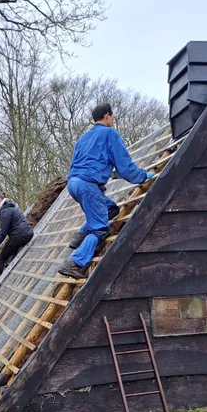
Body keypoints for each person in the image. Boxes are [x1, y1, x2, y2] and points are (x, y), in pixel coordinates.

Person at [58, 103, 154, 280]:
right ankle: (75, 263)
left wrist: (109, 173)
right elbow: (126, 168)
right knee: (100, 229)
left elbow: (88, 162)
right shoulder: (110, 134)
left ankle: (79, 236)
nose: (113, 120)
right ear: (107, 116)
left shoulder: (83, 138)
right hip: (89, 186)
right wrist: (143, 176)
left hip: (74, 183)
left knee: (111, 209)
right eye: (112, 116)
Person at [0, 192, 34, 278]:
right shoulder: (9, 205)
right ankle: (10, 263)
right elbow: (6, 228)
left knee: (1, 259)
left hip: (19, 236)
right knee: (11, 252)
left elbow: (3, 233)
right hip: (26, 233)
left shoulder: (5, 211)